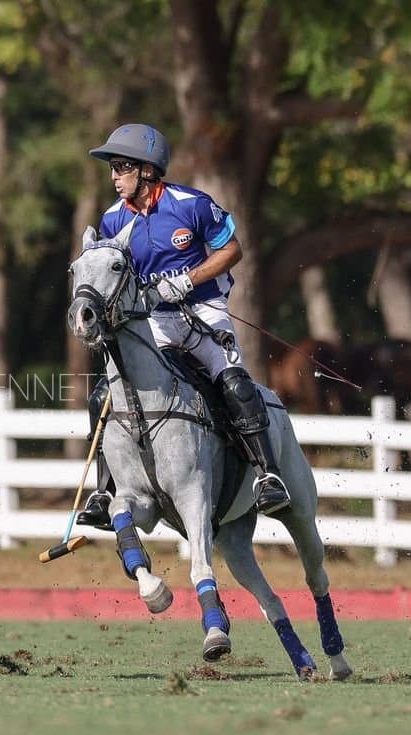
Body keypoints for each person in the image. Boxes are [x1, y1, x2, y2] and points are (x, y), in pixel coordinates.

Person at [76, 123, 289, 528]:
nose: (114, 177)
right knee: (105, 393)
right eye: (112, 169)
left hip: (203, 311)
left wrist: (189, 279)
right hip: (152, 320)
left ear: (147, 170)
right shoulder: (111, 219)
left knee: (234, 384)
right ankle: (104, 490)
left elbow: (232, 250)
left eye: (121, 167)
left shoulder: (192, 204)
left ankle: (268, 476)